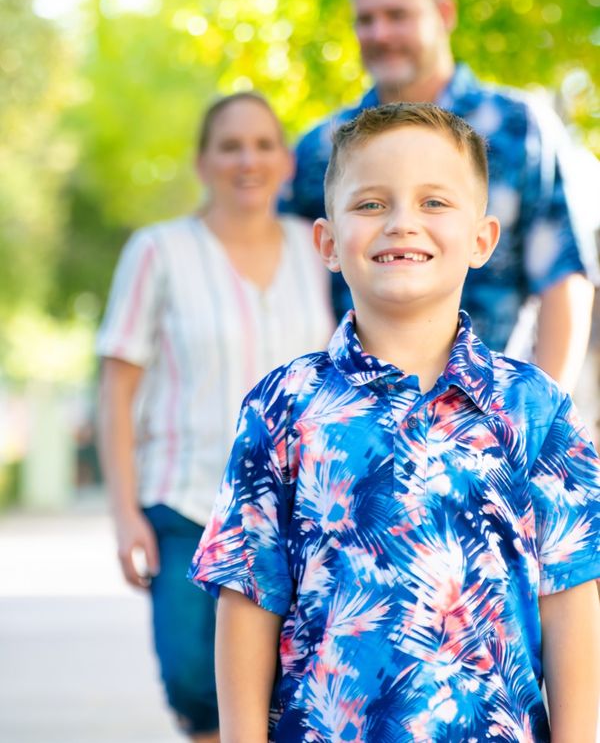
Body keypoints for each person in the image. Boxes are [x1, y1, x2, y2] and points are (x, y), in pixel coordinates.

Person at [189, 103, 600, 742]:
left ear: (483, 240)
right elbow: (247, 599)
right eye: (371, 204)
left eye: (435, 203)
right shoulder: (283, 406)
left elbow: (571, 601)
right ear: (326, 242)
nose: (403, 223)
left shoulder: (536, 411)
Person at [97, 92, 334, 742]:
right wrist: (125, 517)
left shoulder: (318, 250)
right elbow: (116, 389)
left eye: (263, 144)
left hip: (297, 510)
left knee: (285, 687)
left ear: (287, 162)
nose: (247, 160)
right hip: (183, 504)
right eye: (229, 146)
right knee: (193, 682)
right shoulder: (158, 251)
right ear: (203, 162)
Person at [282, 0, 598, 393]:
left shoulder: (516, 127)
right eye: (366, 19)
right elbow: (282, 278)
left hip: (492, 421)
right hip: (352, 423)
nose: (380, 33)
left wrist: (542, 419)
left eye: (398, 15)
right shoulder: (322, 146)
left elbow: (564, 275)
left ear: (444, 13)